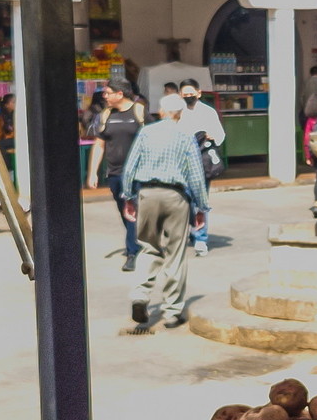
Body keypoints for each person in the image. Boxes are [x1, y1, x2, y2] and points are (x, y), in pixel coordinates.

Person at [120, 93, 209, 329]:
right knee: (175, 253)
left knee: (148, 247)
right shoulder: (186, 136)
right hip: (175, 196)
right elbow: (196, 176)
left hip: (147, 194)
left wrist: (129, 197)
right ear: (180, 113)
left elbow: (130, 167)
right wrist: (201, 207)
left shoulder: (146, 132)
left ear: (161, 112)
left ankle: (140, 295)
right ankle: (171, 312)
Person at [86, 78, 146, 272]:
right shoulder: (106, 115)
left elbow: (153, 138)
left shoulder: (139, 112)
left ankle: (131, 252)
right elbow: (99, 145)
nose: (104, 96)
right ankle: (136, 241)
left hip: (137, 173)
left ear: (120, 94)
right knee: (124, 210)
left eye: (107, 93)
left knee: (132, 210)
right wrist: (93, 173)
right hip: (115, 173)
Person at [178, 78, 225, 257]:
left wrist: (211, 136)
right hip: (181, 162)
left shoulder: (208, 112)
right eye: (185, 94)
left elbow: (220, 135)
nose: (188, 97)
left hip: (202, 163)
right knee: (184, 201)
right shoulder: (178, 112)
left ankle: (200, 238)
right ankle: (191, 230)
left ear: (198, 93)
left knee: (200, 201)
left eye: (191, 93)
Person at [0, 93, 16, 161]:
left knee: (0, 145)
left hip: (16, 138)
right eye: (13, 102)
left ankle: (7, 167)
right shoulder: (1, 117)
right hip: (7, 139)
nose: (15, 104)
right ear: (6, 105)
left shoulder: (16, 114)